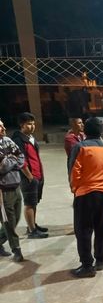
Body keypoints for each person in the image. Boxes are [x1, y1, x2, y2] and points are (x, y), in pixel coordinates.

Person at [69, 117, 103, 277]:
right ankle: (101, 259)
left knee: (83, 230)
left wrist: (75, 189)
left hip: (85, 194)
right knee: (101, 227)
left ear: (85, 130)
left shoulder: (80, 147)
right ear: (101, 131)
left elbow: (74, 171)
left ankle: (87, 266)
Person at [12, 112, 48, 239]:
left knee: (34, 202)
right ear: (21, 125)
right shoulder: (18, 140)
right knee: (29, 204)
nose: (32, 126)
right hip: (28, 178)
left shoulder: (30, 138)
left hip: (37, 176)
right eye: (28, 124)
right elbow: (20, 160)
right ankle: (32, 231)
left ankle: (32, 225)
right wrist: (29, 176)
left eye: (33, 124)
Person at [0, 119, 25, 262]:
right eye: (0, 127)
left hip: (16, 186)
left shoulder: (7, 141)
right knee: (9, 222)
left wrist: (8, 159)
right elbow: (2, 168)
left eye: (3, 125)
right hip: (3, 191)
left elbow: (21, 156)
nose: (4, 128)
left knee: (15, 219)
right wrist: (12, 158)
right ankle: (17, 250)